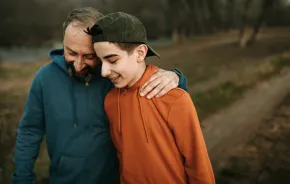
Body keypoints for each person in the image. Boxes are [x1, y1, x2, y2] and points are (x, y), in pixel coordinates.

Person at [12, 7, 188, 184]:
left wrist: (176, 77)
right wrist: (22, 177)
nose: (79, 65)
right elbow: (30, 130)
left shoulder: (114, 79)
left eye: (89, 56)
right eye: (71, 53)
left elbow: (148, 84)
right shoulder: (45, 78)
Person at [89, 12, 215, 184]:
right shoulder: (110, 101)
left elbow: (198, 164)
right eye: (100, 62)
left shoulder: (174, 98)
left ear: (140, 53)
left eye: (112, 60)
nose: (104, 72)